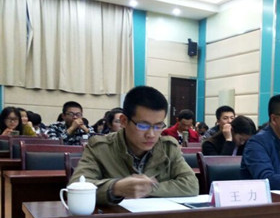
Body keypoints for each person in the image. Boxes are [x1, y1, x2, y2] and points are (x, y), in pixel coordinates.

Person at [70, 86, 199, 206]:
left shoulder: (169, 147)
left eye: (158, 126)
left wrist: (148, 189)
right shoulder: (100, 148)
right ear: (124, 121)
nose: (151, 134)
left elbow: (191, 184)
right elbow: (76, 187)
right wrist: (115, 188)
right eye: (143, 125)